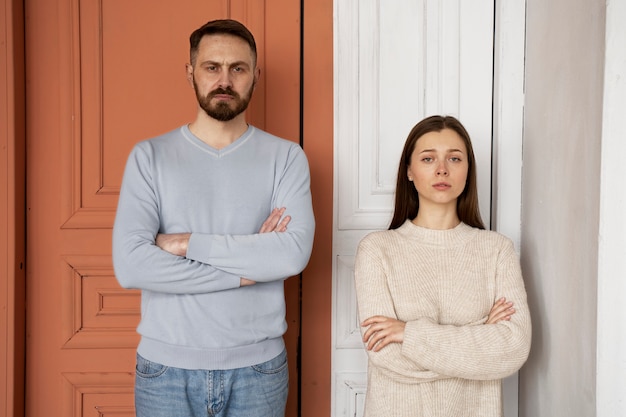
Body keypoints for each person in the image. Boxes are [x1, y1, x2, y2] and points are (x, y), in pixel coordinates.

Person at [112, 19, 315, 417]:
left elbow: (290, 256)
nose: (225, 80)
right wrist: (248, 270)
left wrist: (187, 244)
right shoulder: (149, 157)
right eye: (212, 67)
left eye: (238, 68)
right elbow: (131, 265)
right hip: (165, 371)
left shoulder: (286, 158)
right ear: (190, 72)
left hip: (259, 371)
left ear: (255, 76)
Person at [354, 115, 531, 417]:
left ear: (467, 170)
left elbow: (513, 349)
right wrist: (480, 332)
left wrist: (409, 334)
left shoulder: (497, 250)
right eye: (427, 158)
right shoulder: (377, 249)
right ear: (409, 171)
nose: (442, 169)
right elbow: (387, 355)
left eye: (454, 158)